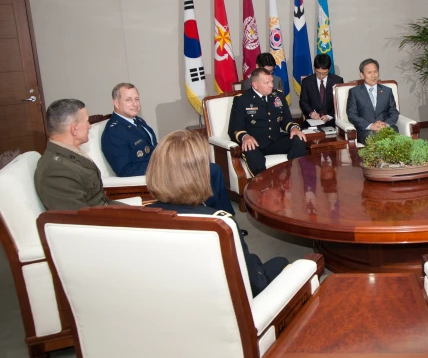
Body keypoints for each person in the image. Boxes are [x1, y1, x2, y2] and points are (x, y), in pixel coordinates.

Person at [146, 130, 289, 296]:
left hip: (174, 297)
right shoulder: (221, 225)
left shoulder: (138, 219)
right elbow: (255, 284)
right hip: (233, 306)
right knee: (282, 263)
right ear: (199, 175)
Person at [101, 82, 234, 214]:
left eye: (136, 99)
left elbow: (153, 149)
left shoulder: (137, 121)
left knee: (211, 169)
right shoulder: (114, 132)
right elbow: (125, 170)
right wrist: (164, 165)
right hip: (153, 174)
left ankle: (217, 214)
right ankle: (215, 215)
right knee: (211, 170)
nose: (135, 104)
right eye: (128, 100)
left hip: (161, 167)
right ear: (116, 103)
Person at [35, 99, 117, 210]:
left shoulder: (70, 152)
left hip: (107, 211)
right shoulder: (56, 170)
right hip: (102, 223)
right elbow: (79, 220)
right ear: (74, 129)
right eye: (87, 121)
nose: (89, 126)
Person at [229, 68, 306, 175]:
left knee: (298, 139)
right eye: (267, 83)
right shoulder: (242, 100)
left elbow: (286, 119)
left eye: (271, 82)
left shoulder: (277, 96)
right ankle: (261, 187)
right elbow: (235, 128)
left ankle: (293, 175)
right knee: (251, 151)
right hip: (255, 143)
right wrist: (245, 137)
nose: (271, 85)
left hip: (275, 140)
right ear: (255, 85)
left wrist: (293, 128)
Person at [346, 58, 399, 144]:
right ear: (362, 75)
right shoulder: (354, 92)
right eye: (369, 72)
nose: (373, 75)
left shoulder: (387, 91)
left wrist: (385, 124)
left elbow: (394, 112)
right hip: (366, 130)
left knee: (396, 141)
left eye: (375, 72)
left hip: (386, 128)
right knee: (376, 141)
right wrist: (371, 126)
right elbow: (352, 115)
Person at [299, 54, 344, 126]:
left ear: (330, 69)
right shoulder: (306, 82)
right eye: (318, 73)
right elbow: (303, 102)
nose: (321, 76)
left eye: (324, 73)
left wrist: (329, 116)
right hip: (312, 121)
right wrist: (311, 113)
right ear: (314, 68)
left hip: (331, 121)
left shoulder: (337, 80)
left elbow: (340, 103)